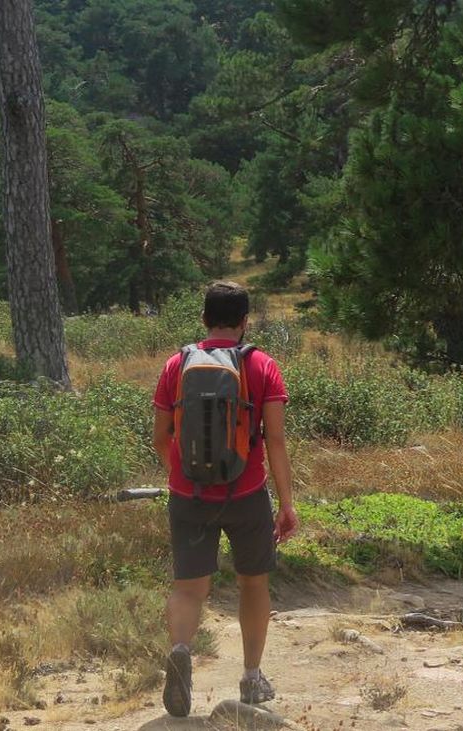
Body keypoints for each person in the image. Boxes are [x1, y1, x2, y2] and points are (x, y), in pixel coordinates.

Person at [151, 281, 299, 718]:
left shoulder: (176, 364)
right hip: (247, 493)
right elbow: (275, 439)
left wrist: (181, 475)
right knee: (253, 581)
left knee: (189, 588)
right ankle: (252, 678)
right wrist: (287, 503)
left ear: (203, 320)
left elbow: (161, 436)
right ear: (245, 321)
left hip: (188, 494)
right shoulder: (262, 366)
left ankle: (180, 650)